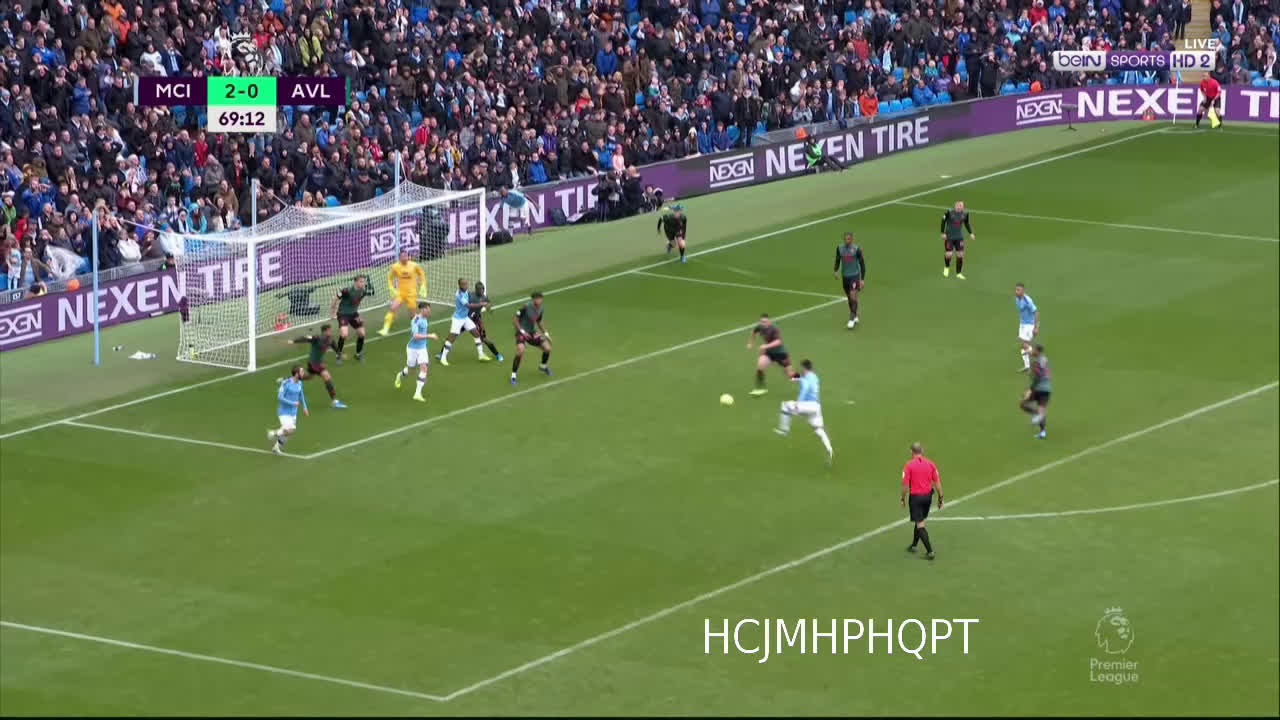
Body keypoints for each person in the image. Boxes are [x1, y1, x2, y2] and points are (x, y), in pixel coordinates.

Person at [776, 359, 834, 463]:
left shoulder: (806, 378)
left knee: (785, 406)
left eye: (801, 367)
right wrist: (790, 374)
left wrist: (798, 403)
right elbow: (797, 378)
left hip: (807, 405)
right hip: (816, 407)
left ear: (804, 368)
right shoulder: (814, 377)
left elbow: (805, 388)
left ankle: (784, 430)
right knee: (818, 429)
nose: (800, 369)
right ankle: (829, 448)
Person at [900, 442, 942, 560]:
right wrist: (941, 498)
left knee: (920, 524)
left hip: (916, 498)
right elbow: (937, 482)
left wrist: (903, 498)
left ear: (911, 452)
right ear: (922, 451)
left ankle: (930, 552)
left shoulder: (908, 466)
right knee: (919, 520)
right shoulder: (931, 464)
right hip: (928, 498)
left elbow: (905, 485)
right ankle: (914, 545)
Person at [289, 324, 347, 408]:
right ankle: (334, 402)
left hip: (316, 363)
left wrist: (340, 354)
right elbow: (305, 338)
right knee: (326, 376)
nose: (330, 332)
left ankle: (289, 380)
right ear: (324, 331)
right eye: (329, 330)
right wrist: (294, 341)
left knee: (308, 377)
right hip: (314, 364)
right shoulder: (317, 338)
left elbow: (335, 348)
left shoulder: (330, 340)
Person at [438, 277, 492, 366]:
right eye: (464, 284)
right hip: (458, 319)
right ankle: (443, 358)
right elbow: (469, 305)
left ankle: (481, 355)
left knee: (476, 334)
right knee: (452, 338)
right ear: (459, 285)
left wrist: (484, 301)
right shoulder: (460, 295)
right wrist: (482, 304)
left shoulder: (466, 292)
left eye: (466, 284)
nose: (466, 285)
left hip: (465, 318)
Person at [395, 301, 439, 402]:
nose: (429, 311)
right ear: (422, 309)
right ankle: (400, 375)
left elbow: (423, 332)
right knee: (411, 371)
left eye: (429, 309)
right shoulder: (415, 320)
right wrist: (430, 336)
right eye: (428, 309)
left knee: (424, 368)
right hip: (412, 349)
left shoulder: (425, 319)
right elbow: (415, 336)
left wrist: (425, 343)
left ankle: (417, 394)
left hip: (422, 348)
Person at [746, 313, 797, 396]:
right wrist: (750, 343)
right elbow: (754, 333)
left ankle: (804, 379)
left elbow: (778, 342)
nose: (763, 323)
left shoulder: (774, 329)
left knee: (790, 375)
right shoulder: (759, 327)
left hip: (780, 354)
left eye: (765, 322)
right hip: (769, 353)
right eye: (762, 322)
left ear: (769, 322)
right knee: (760, 365)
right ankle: (760, 388)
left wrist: (765, 346)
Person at [379, 250, 426, 336]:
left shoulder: (414, 265)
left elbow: (421, 274)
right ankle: (385, 328)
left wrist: (423, 285)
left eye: (406, 256)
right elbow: (390, 278)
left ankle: (417, 327)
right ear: (399, 258)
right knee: (393, 308)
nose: (404, 257)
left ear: (408, 257)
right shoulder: (395, 267)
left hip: (411, 293)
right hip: (400, 293)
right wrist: (391, 287)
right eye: (402, 256)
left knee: (412, 314)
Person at [511, 291, 553, 384]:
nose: (539, 300)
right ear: (533, 299)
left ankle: (543, 367)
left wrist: (546, 334)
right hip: (521, 332)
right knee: (520, 350)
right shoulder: (525, 307)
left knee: (547, 348)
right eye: (537, 298)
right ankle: (513, 375)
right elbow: (515, 320)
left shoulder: (541, 309)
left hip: (532, 332)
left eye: (541, 298)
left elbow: (539, 322)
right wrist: (522, 331)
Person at [268, 365, 309, 455]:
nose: (303, 373)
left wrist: (305, 407)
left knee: (289, 432)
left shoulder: (300, 383)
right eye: (301, 372)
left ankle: (276, 447)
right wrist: (292, 403)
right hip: (284, 412)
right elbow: (280, 397)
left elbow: (301, 395)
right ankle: (274, 433)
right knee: (289, 430)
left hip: (293, 412)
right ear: (296, 374)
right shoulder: (286, 383)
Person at [330, 275, 372, 363]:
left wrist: (358, 317)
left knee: (362, 333)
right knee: (344, 334)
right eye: (361, 281)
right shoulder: (346, 290)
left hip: (353, 314)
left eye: (363, 282)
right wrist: (333, 313)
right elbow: (335, 299)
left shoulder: (363, 292)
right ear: (355, 282)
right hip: (343, 314)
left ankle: (358, 354)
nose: (363, 283)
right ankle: (339, 355)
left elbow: (356, 303)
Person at [833, 232, 866, 329]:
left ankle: (851, 318)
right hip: (845, 277)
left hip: (854, 276)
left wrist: (862, 279)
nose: (847, 241)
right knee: (850, 298)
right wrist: (836, 270)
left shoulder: (856, 249)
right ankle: (855, 314)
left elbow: (862, 264)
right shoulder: (840, 248)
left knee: (853, 296)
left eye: (848, 239)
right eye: (845, 239)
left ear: (852, 240)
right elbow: (837, 259)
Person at [1019, 344, 1051, 439]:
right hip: (1047, 389)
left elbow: (1038, 377)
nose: (1033, 351)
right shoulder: (1044, 359)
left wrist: (1030, 390)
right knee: (1040, 411)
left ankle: (1037, 415)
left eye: (1034, 350)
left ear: (1038, 351)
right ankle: (1042, 431)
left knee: (1023, 404)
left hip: (1038, 389)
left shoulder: (1036, 362)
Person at [468, 281, 504, 362]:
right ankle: (442, 353)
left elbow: (488, 305)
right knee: (454, 334)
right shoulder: (470, 295)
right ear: (476, 290)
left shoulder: (484, 297)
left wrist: (489, 308)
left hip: (476, 319)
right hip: (465, 319)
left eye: (482, 289)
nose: (481, 291)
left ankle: (497, 354)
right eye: (479, 289)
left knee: (484, 338)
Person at [940, 200, 975, 279]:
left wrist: (971, 233)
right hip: (949, 237)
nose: (959, 207)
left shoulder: (965, 213)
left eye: (961, 206)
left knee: (960, 254)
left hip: (959, 237)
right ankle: (946, 267)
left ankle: (958, 273)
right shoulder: (949, 212)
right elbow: (943, 221)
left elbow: (966, 223)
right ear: (955, 206)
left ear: (963, 207)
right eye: (958, 205)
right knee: (949, 254)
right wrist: (942, 233)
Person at [1014, 283, 1040, 372]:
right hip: (1022, 324)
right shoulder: (1017, 299)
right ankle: (1027, 366)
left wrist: (1036, 328)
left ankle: (1039, 358)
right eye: (1016, 289)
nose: (1016, 291)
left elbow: (1036, 312)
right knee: (1023, 346)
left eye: (1018, 290)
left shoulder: (1027, 300)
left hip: (1029, 325)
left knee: (1025, 345)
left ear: (1023, 291)